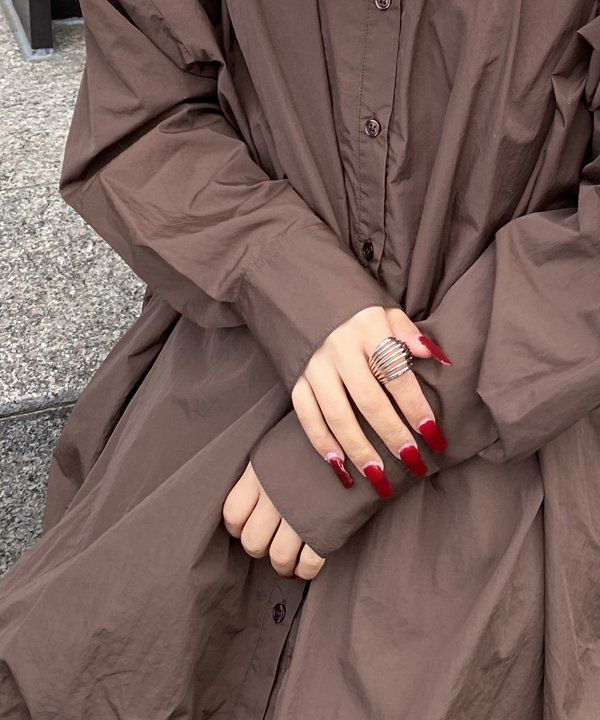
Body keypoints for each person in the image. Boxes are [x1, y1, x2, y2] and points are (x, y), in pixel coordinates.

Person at [1, 1, 599, 717]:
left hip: (525, 419)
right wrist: (294, 288)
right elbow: (144, 109)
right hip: (225, 381)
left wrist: (395, 415)